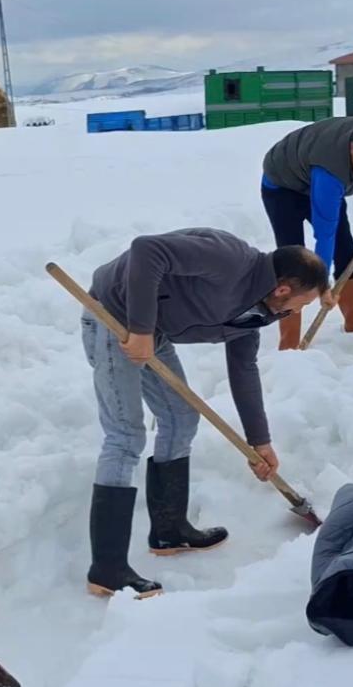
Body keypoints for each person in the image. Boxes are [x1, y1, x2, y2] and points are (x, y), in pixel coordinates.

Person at [83, 228, 328, 597]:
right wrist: (141, 329)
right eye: (302, 304)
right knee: (125, 436)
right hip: (113, 316)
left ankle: (169, 530)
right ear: (282, 290)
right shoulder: (229, 258)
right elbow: (147, 250)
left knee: (181, 418)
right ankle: (107, 568)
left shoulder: (256, 315)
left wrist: (259, 442)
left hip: (154, 330)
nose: (298, 313)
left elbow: (244, 371)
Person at [261, 116, 353, 350]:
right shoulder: (330, 168)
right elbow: (325, 233)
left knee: (345, 248)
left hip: (315, 177)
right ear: (352, 148)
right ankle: (289, 339)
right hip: (283, 186)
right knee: (293, 260)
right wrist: (321, 285)